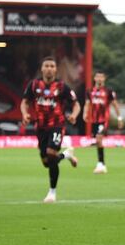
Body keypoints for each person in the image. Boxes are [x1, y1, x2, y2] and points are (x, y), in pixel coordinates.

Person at [20, 56, 80, 203]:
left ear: (56, 69)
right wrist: (25, 114)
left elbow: (76, 104)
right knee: (47, 162)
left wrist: (73, 115)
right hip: (40, 127)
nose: (49, 68)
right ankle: (66, 155)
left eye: (52, 66)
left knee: (51, 153)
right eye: (46, 66)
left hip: (57, 125)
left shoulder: (62, 87)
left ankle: (52, 192)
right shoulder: (34, 85)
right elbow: (24, 102)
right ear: (42, 68)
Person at [83, 71, 122, 174]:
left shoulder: (108, 91)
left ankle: (100, 164)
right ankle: (102, 164)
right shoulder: (90, 91)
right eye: (97, 77)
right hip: (94, 120)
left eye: (101, 77)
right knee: (98, 140)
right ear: (94, 78)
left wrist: (119, 118)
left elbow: (115, 105)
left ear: (104, 79)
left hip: (104, 120)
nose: (99, 79)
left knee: (99, 138)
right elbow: (87, 104)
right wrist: (85, 113)